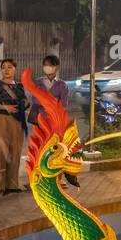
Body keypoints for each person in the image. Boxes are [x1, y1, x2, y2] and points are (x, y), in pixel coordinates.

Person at [28, 55, 79, 188]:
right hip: (40, 122)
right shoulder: (38, 82)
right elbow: (35, 100)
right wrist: (52, 102)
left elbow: (63, 103)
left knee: (56, 149)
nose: (48, 67)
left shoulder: (62, 85)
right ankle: (38, 178)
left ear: (56, 67)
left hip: (56, 122)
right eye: (45, 65)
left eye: (50, 65)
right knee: (40, 148)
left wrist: (47, 102)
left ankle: (57, 179)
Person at [0, 59, 28, 197]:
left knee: (15, 152)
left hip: (17, 121)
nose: (6, 70)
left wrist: (24, 104)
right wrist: (5, 107)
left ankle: (12, 185)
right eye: (3, 67)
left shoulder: (19, 86)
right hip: (0, 120)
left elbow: (24, 101)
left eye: (9, 67)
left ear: (15, 69)